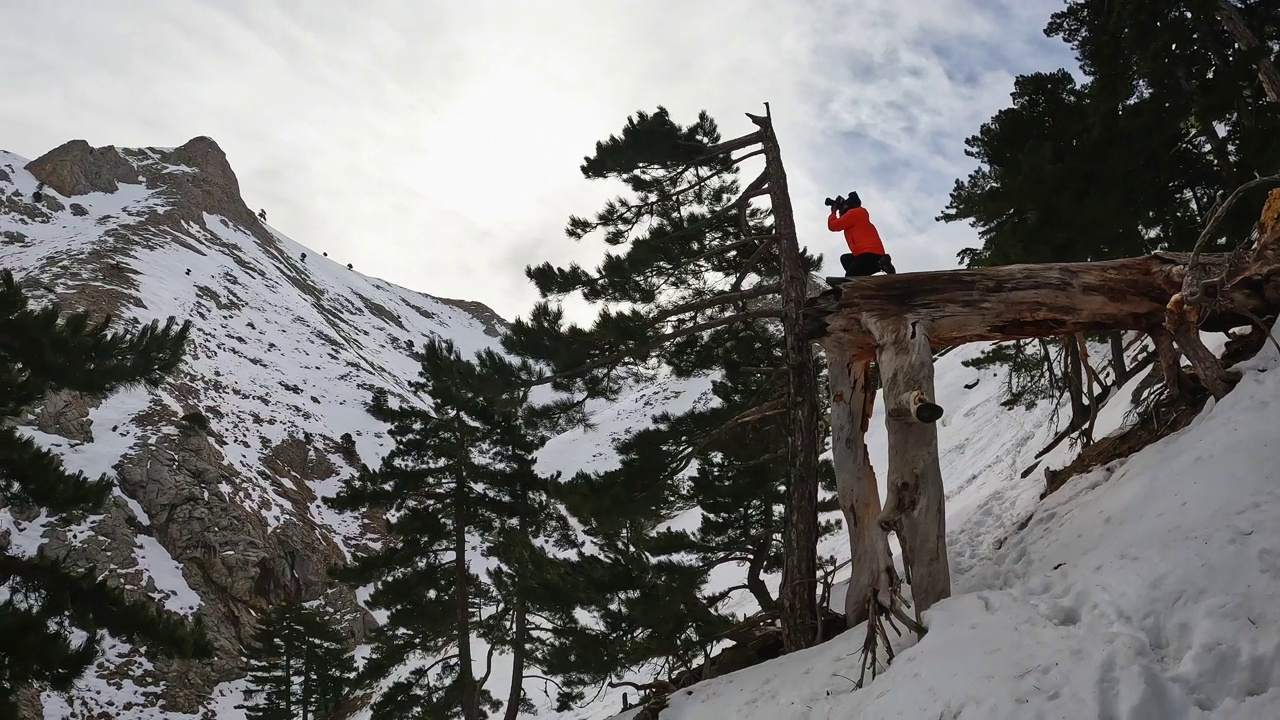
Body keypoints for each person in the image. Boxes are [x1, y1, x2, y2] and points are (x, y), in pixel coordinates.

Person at [828, 191, 895, 276]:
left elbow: (833, 226)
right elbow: (842, 221)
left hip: (870, 252)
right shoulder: (855, 215)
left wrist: (833, 212)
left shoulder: (855, 213)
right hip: (865, 253)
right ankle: (873, 268)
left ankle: (879, 264)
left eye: (845, 204)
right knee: (845, 259)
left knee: (850, 276)